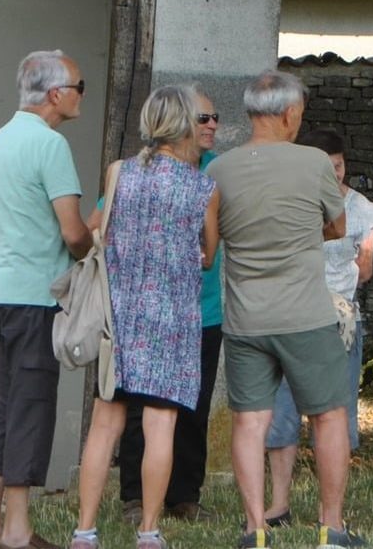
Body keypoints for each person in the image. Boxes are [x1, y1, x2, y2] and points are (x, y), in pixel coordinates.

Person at [0, 49, 94, 549]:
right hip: (38, 295)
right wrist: (95, 251)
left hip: (5, 294)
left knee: (8, 405)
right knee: (31, 406)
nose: (80, 95)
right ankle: (15, 530)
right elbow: (73, 233)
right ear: (56, 94)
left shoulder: (1, 140)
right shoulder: (50, 146)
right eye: (79, 86)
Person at [208, 70, 359, 549]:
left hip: (245, 319)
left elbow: (215, 238)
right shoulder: (313, 162)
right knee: (329, 416)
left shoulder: (219, 169)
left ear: (250, 112)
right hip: (306, 316)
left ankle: (254, 530)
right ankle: (331, 529)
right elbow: (338, 226)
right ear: (292, 113)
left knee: (250, 422)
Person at [66, 84, 220, 549]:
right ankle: (149, 531)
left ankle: (85, 530)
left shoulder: (118, 173)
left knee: (105, 424)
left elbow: (99, 231)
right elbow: (209, 255)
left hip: (121, 316)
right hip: (172, 321)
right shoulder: (202, 187)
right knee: (160, 426)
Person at [264, 125, 373, 527]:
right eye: (326, 166)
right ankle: (278, 504)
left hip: (339, 320)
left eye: (339, 166)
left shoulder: (363, 210)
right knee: (283, 409)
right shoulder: (291, 204)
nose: (335, 174)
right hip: (293, 314)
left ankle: (329, 512)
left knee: (336, 412)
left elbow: (364, 269)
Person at [116, 92, 224, 527]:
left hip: (204, 309)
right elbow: (100, 224)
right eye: (203, 117)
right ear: (179, 122)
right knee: (141, 410)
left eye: (216, 117)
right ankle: (134, 500)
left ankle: (185, 497)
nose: (212, 124)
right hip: (152, 311)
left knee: (194, 411)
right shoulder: (138, 174)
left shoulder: (214, 174)